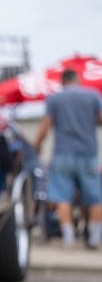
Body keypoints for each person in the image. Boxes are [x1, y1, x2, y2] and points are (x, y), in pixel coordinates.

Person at [34, 69, 102, 249]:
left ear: (63, 82)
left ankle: (69, 238)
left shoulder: (55, 99)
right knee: (95, 198)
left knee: (62, 196)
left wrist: (37, 145)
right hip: (88, 153)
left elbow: (45, 127)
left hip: (62, 154)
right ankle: (95, 239)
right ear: (77, 80)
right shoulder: (93, 96)